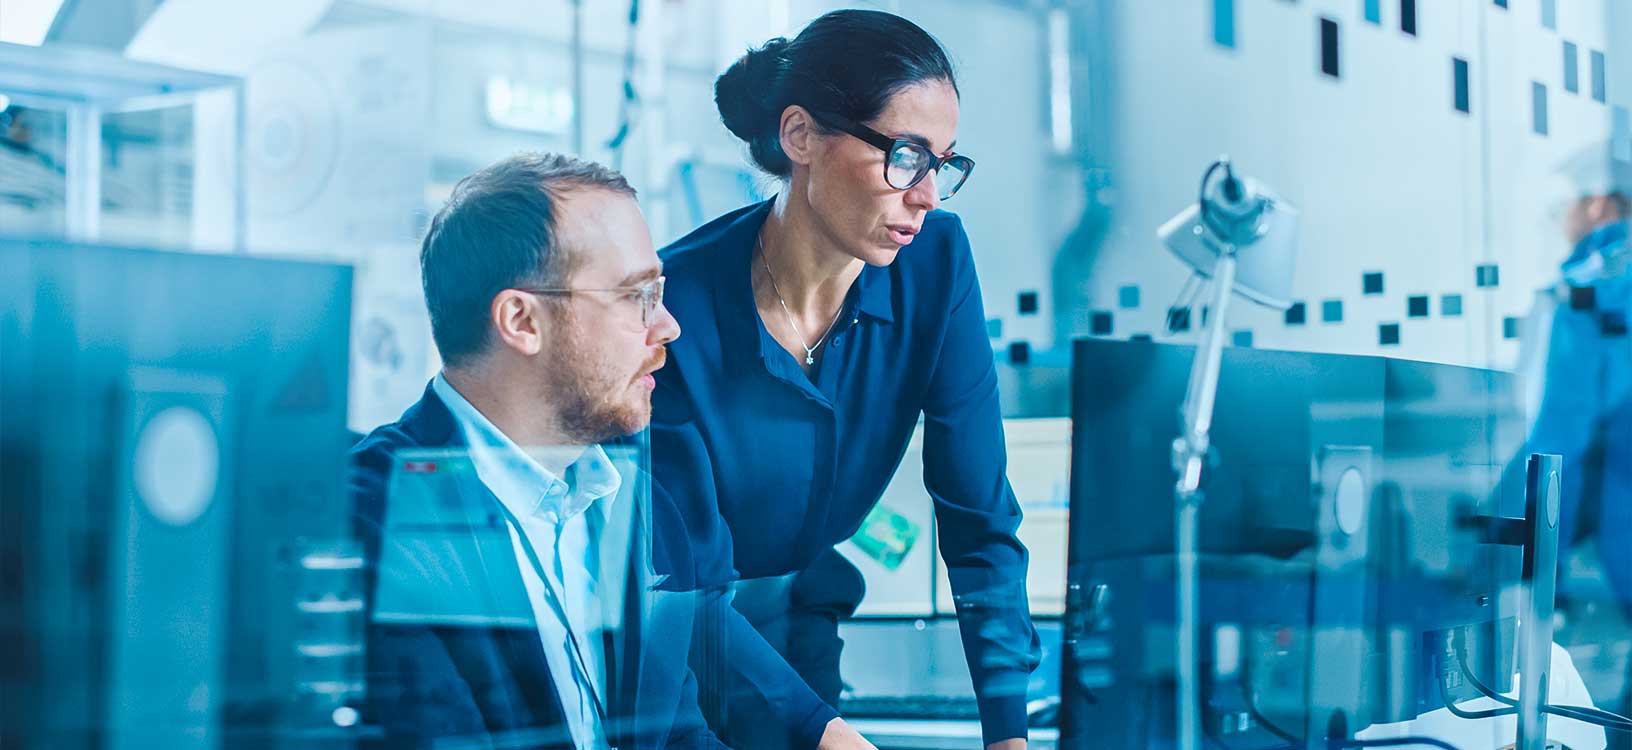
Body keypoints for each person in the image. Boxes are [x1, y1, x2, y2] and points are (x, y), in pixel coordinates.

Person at [651, 10, 1041, 750]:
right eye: (905, 156)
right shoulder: (677, 309)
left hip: (805, 627)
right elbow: (682, 588)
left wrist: (1008, 731)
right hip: (678, 660)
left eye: (944, 164)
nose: (926, 194)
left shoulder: (937, 265)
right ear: (800, 136)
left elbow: (979, 514)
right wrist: (823, 735)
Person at [349, 153, 728, 749]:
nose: (668, 327)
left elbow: (676, 735)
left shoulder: (639, 505)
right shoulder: (382, 520)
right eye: (636, 296)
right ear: (522, 321)